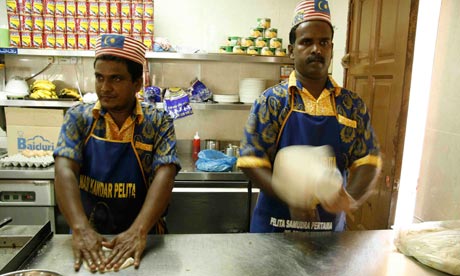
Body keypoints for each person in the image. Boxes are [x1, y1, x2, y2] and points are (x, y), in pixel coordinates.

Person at [237, 0, 381, 233]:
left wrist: (349, 197)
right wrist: (291, 194)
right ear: (292, 50)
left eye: (323, 42)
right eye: (306, 42)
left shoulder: (352, 105)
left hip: (328, 233)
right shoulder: (271, 101)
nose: (316, 49)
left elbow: (368, 160)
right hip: (274, 231)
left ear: (332, 48)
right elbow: (250, 160)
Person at [53, 34, 181, 272]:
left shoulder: (157, 121)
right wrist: (80, 228)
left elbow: (166, 173)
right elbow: (64, 170)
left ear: (137, 84)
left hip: (144, 239)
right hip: (90, 239)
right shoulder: (78, 118)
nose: (105, 88)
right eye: (99, 77)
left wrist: (139, 231)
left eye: (116, 79)